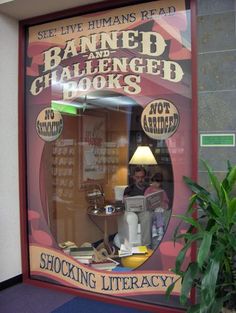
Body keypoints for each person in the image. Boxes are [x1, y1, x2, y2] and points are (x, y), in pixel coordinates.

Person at [123, 166, 152, 247]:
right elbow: (123, 204)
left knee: (148, 214)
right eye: (138, 177)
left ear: (145, 177)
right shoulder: (129, 189)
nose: (140, 179)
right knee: (146, 215)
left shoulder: (149, 188)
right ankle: (145, 245)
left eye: (142, 177)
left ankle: (150, 244)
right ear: (133, 177)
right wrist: (125, 200)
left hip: (147, 210)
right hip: (135, 212)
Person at [144, 172, 169, 248]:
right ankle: (156, 230)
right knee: (153, 214)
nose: (155, 184)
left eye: (157, 182)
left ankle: (159, 231)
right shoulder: (148, 189)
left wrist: (162, 204)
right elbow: (145, 198)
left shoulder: (162, 192)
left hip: (159, 209)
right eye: (154, 181)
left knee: (158, 212)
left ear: (160, 183)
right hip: (150, 209)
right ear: (151, 181)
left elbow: (166, 202)